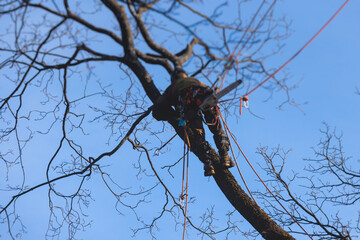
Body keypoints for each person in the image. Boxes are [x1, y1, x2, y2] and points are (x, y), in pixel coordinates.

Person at [152, 68, 235, 176]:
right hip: (201, 94)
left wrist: (169, 113)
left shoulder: (173, 87)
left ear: (173, 78)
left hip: (187, 103)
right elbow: (208, 89)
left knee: (198, 135)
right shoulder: (195, 80)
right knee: (216, 127)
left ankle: (208, 164)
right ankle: (225, 156)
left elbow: (158, 106)